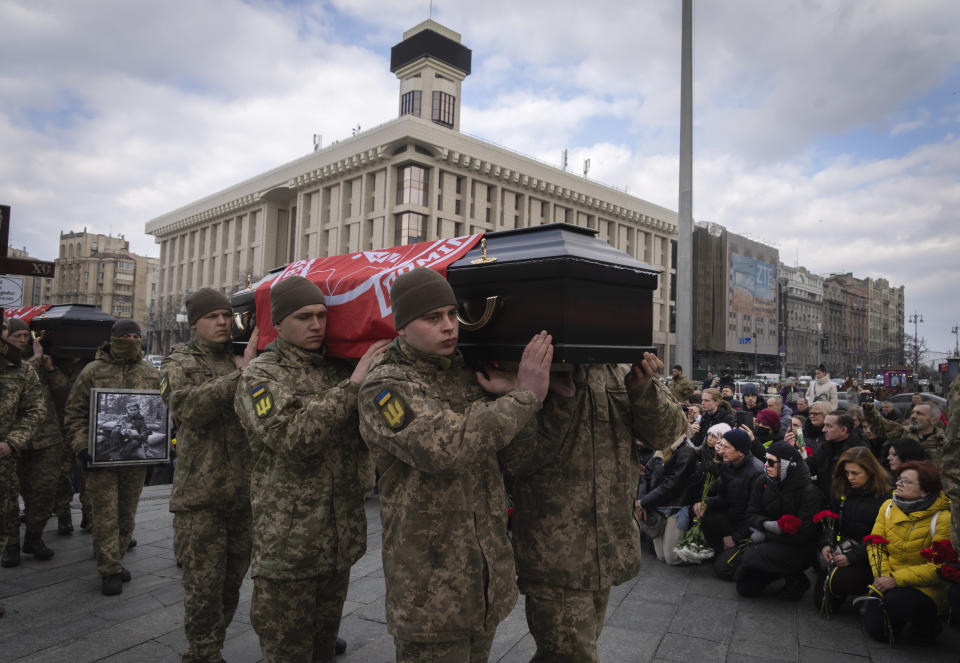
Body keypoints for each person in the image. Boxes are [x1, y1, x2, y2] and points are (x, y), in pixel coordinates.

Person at [356, 268, 552, 662]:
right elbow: (447, 449)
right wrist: (525, 399)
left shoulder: (469, 373)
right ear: (402, 328)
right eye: (432, 318)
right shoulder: (384, 387)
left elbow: (518, 458)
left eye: (451, 314)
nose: (448, 327)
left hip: (482, 581)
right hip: (429, 591)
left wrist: (514, 392)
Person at [235, 276, 389, 662]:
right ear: (279, 323)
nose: (317, 325)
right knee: (286, 649)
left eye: (322, 315)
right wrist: (353, 385)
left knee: (323, 646)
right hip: (290, 545)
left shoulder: (337, 367)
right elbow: (291, 437)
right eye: (304, 317)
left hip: (339, 538)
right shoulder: (260, 376)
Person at [505, 351, 685, 663]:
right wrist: (544, 393)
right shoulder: (537, 363)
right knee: (571, 656)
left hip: (607, 545)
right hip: (555, 551)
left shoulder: (620, 365)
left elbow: (670, 432)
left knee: (568, 653)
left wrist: (643, 390)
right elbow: (518, 457)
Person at [161, 288, 259, 663]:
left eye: (225, 315)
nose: (222, 322)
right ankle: (202, 653)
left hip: (241, 493)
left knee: (231, 583)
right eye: (213, 317)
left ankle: (212, 645)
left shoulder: (237, 357)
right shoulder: (178, 361)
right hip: (200, 497)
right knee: (203, 586)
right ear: (194, 324)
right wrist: (240, 377)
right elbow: (187, 407)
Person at [64, 320, 160, 596]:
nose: (131, 340)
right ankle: (109, 570)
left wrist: (157, 448)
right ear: (113, 339)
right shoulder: (93, 371)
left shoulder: (150, 372)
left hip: (134, 459)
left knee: (126, 515)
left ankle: (114, 557)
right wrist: (82, 447)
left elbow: (161, 412)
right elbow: (75, 414)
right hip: (100, 458)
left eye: (136, 336)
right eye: (125, 336)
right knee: (105, 514)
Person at [860, 461, 952, 644]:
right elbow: (875, 544)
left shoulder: (942, 519)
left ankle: (929, 624)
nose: (899, 484)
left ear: (925, 490)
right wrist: (883, 576)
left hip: (924, 586)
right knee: (878, 632)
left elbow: (939, 567)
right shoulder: (888, 506)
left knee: (897, 602)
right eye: (899, 479)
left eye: (907, 482)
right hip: (889, 576)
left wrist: (896, 580)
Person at [2, 318, 64, 562]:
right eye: (16, 335)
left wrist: (50, 367)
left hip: (44, 438)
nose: (21, 340)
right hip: (10, 441)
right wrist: (36, 359)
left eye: (25, 336)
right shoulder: (15, 363)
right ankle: (11, 544)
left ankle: (34, 538)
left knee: (44, 492)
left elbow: (63, 392)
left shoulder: (41, 361)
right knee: (6, 499)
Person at [735, 441, 823, 600]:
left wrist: (767, 535)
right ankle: (775, 571)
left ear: (787, 464)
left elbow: (805, 535)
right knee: (745, 587)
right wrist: (766, 524)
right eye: (765, 460)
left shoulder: (809, 492)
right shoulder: (762, 481)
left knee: (751, 556)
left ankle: (796, 579)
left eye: (771, 462)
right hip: (768, 538)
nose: (766, 465)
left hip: (799, 548)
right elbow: (751, 513)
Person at [814, 447, 890, 613]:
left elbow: (883, 537)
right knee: (821, 603)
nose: (850, 478)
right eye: (847, 473)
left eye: (855, 473)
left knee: (838, 582)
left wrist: (852, 558)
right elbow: (831, 522)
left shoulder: (885, 496)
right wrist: (826, 544)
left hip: (868, 557)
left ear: (870, 471)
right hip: (842, 548)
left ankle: (866, 589)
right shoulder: (843, 488)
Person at [0, 332, 45, 570]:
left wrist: (12, 442)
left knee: (7, 506)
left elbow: (36, 410)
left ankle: (13, 544)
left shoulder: (20, 369)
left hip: (5, 454)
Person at [696, 429, 765, 580]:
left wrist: (735, 538)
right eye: (722, 446)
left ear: (740, 452)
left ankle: (743, 556)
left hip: (749, 529)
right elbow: (723, 498)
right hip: (732, 518)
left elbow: (756, 514)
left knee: (722, 570)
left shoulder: (756, 472)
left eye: (726, 447)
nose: (721, 450)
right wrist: (706, 504)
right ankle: (721, 550)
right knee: (702, 514)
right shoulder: (728, 465)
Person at [635, 425, 699, 565]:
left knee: (671, 558)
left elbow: (673, 485)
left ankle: (695, 552)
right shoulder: (660, 450)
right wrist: (641, 500)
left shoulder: (687, 452)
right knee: (661, 556)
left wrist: (645, 501)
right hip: (656, 504)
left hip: (675, 506)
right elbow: (645, 474)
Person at [863, 400, 946, 473]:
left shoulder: (945, 442)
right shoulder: (902, 433)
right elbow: (881, 425)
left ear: (933, 420)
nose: (913, 416)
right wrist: (869, 408)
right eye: (913, 412)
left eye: (919, 414)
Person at [806, 411, 868, 501]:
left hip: (849, 502)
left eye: (829, 426)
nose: (823, 430)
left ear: (843, 430)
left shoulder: (859, 451)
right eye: (824, 425)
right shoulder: (825, 446)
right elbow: (810, 466)